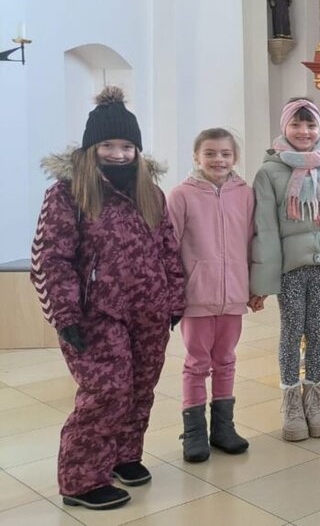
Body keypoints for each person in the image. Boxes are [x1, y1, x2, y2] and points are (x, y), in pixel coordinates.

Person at [30, 86, 185, 510]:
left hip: (150, 311)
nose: (118, 154)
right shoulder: (67, 194)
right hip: (96, 314)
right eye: (108, 145)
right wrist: (64, 314)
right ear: (90, 148)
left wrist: (174, 300)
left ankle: (122, 456)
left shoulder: (150, 193)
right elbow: (50, 257)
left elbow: (167, 249)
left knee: (140, 389)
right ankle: (81, 480)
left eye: (127, 146)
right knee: (107, 391)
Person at [251, 98, 320, 442]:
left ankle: (314, 400)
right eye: (296, 125)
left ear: (319, 128)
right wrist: (265, 280)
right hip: (290, 269)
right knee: (291, 331)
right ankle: (291, 401)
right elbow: (265, 229)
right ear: (284, 127)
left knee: (317, 331)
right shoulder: (269, 171)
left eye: (310, 125)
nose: (304, 132)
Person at [167, 128, 254, 463]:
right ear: (196, 157)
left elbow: (251, 240)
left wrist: (252, 286)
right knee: (196, 362)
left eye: (225, 154)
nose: (218, 159)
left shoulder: (244, 193)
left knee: (227, 359)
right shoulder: (181, 195)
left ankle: (223, 428)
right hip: (197, 296)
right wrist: (174, 294)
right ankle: (194, 433)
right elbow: (169, 246)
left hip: (233, 293)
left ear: (234, 158)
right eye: (210, 153)